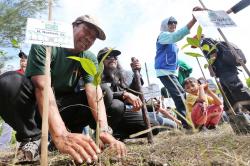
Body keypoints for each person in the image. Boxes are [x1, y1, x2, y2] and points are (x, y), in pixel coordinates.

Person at [0, 15, 126, 164]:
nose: (89, 39)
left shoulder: (88, 58)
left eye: (93, 38)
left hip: (63, 108)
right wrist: (60, 134)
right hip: (35, 109)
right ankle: (32, 139)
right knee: (8, 82)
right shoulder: (46, 44)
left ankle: (70, 136)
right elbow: (42, 87)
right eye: (87, 31)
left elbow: (94, 92)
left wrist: (104, 130)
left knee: (105, 91)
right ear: (73, 26)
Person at [154, 6, 203, 128]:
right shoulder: (163, 35)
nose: (173, 24)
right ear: (165, 25)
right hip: (165, 71)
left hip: (171, 72)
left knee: (180, 95)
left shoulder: (172, 41)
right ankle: (187, 124)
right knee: (180, 96)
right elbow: (177, 35)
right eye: (170, 23)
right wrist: (193, 20)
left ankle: (188, 122)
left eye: (175, 22)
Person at [98, 47, 159, 139]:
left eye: (115, 57)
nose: (112, 59)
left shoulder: (122, 75)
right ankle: (103, 133)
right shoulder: (96, 75)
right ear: (100, 61)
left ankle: (117, 134)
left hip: (125, 112)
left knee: (153, 126)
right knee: (117, 105)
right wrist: (123, 94)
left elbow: (134, 92)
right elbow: (100, 93)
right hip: (107, 112)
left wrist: (136, 74)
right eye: (108, 56)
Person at [0, 51, 27, 150]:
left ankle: (22, 147)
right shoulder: (15, 73)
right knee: (7, 125)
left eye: (24, 60)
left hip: (27, 105)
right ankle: (2, 147)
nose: (22, 62)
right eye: (21, 60)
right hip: (14, 104)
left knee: (25, 126)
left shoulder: (32, 73)